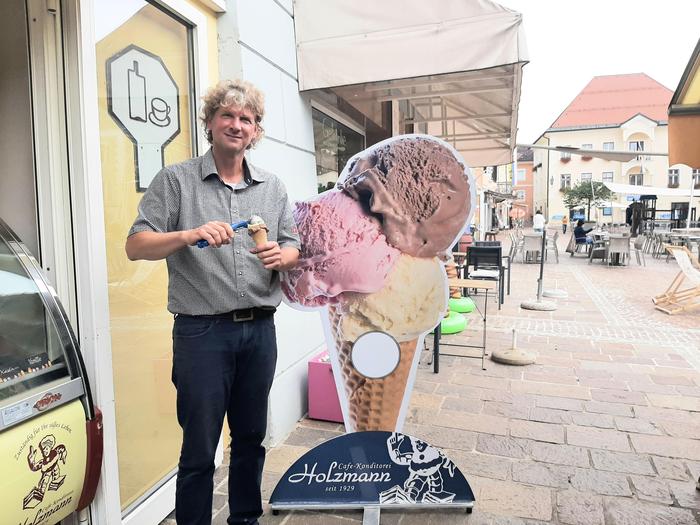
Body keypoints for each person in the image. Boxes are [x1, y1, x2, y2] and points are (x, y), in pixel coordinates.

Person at [125, 79, 300, 525]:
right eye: (227, 115)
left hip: (260, 330)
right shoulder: (177, 181)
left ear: (256, 131)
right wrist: (189, 233)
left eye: (246, 119)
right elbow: (136, 245)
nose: (236, 125)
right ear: (209, 123)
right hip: (202, 333)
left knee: (250, 438)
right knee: (201, 448)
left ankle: (244, 519)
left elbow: (294, 243)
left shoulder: (272, 187)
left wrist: (284, 254)